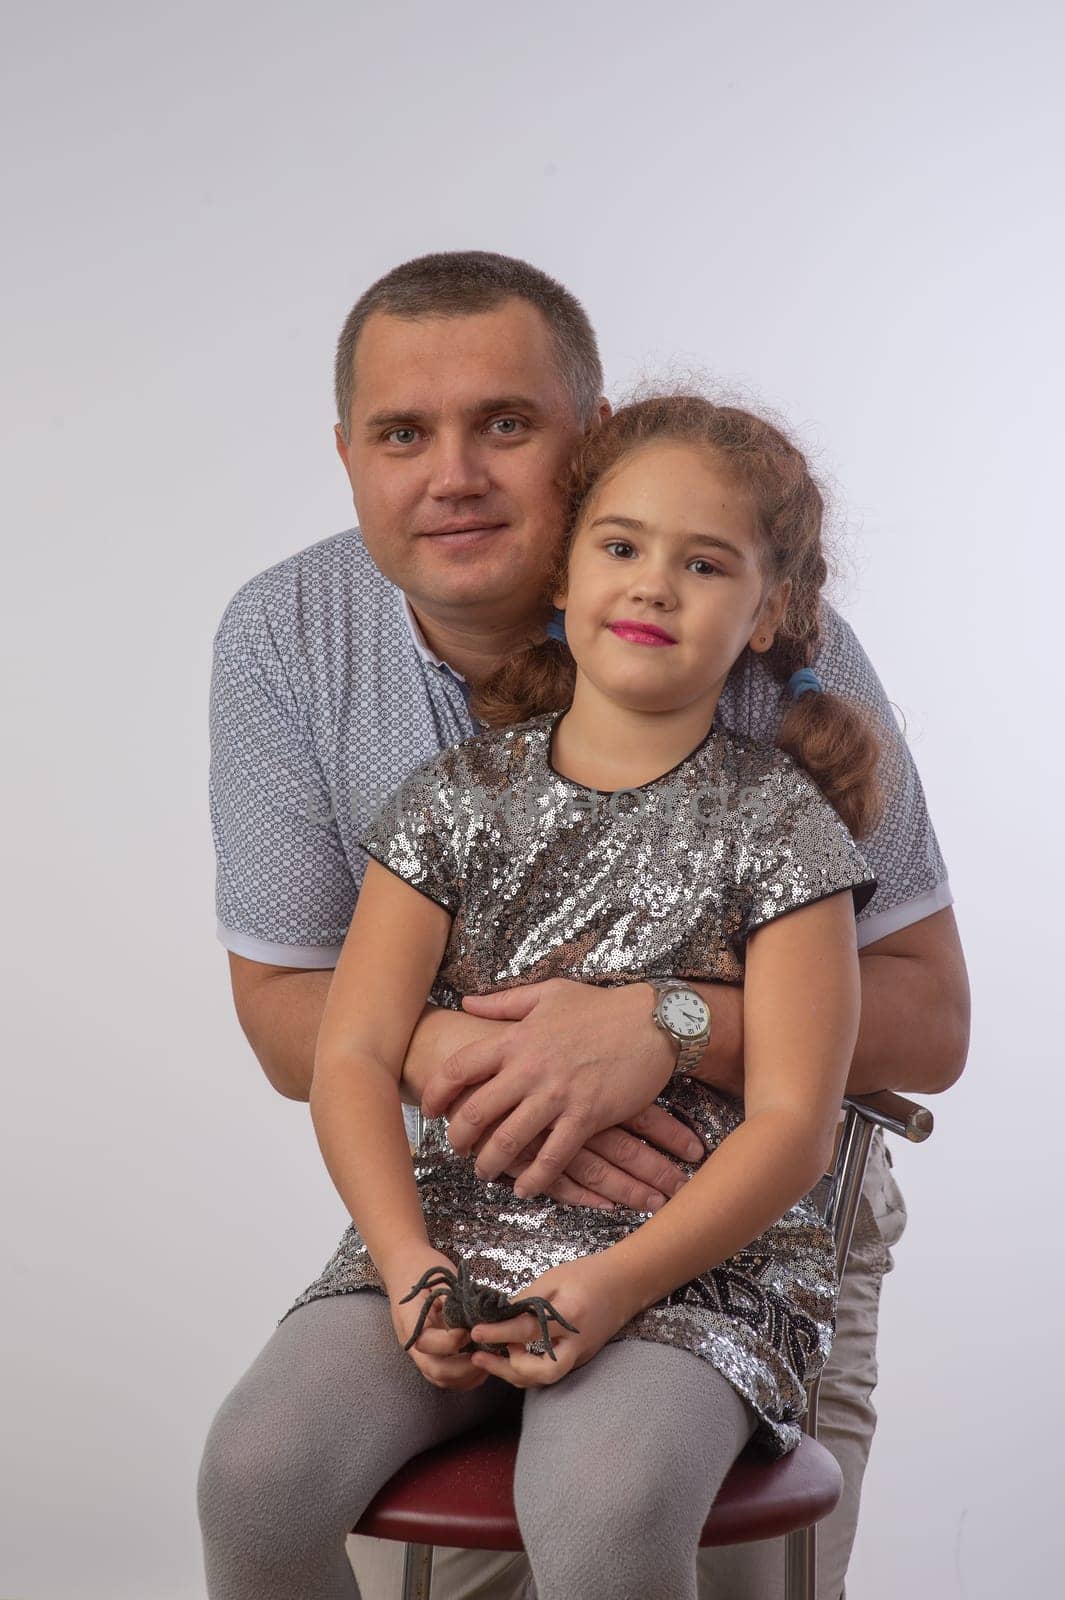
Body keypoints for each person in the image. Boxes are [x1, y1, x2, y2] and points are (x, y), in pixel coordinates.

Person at [200, 251, 969, 1600]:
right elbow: (305, 1025)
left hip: (732, 1228)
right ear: (347, 457)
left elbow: (927, 1021)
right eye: (401, 433)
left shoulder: (770, 677)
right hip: (466, 1193)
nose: (453, 475)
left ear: (587, 437)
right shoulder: (303, 653)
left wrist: (661, 1030)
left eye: (505, 423)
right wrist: (466, 1076)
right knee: (264, 1478)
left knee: (610, 1511)